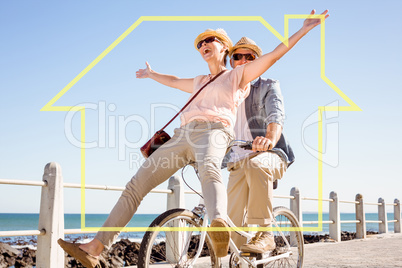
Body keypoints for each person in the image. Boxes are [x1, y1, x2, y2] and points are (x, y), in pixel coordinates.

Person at [58, 10, 328, 268]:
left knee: (210, 170)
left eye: (211, 40)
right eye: (201, 42)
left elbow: (273, 56)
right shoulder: (200, 80)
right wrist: (152, 75)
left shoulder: (237, 76)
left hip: (214, 132)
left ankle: (218, 225)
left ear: (225, 48)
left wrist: (302, 30)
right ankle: (95, 247)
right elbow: (175, 80)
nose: (204, 44)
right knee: (135, 185)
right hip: (181, 136)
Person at [226, 37, 295, 253]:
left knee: (256, 165)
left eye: (250, 57)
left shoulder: (267, 86)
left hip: (269, 154)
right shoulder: (225, 92)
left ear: (258, 60)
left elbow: (276, 114)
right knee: (233, 229)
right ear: (231, 62)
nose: (244, 60)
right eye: (238, 56)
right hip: (236, 161)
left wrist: (269, 138)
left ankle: (266, 233)